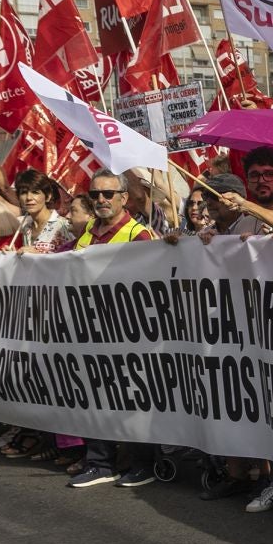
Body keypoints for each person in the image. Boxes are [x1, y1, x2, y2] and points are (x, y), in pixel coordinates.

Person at [68, 171, 158, 490]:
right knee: (96, 397)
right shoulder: (89, 230)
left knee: (131, 399)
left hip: (127, 333)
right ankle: (100, 463)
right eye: (95, 195)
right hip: (93, 331)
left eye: (108, 194)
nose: (101, 200)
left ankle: (142, 464)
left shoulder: (138, 234)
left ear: (124, 197)